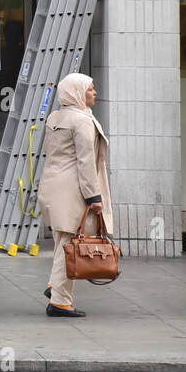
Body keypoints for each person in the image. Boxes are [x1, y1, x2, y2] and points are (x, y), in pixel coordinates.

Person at [37, 73, 112, 318]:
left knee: (63, 242)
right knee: (71, 245)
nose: (94, 93)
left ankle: (54, 286)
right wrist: (94, 197)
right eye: (90, 89)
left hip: (52, 186)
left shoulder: (55, 117)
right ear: (78, 93)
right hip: (73, 190)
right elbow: (85, 162)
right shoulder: (82, 121)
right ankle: (59, 301)